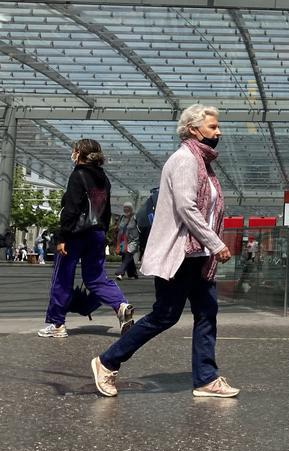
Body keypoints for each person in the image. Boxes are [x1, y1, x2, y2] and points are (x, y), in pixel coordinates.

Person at [91, 104, 237, 399]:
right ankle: (107, 362)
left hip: (199, 257)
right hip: (181, 254)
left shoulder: (204, 164)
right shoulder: (184, 160)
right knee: (164, 316)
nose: (218, 131)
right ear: (194, 129)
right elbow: (186, 207)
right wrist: (216, 242)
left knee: (207, 312)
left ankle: (206, 379)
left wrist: (209, 245)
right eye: (213, 127)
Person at [37, 139, 133, 339]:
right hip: (96, 234)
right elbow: (105, 211)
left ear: (79, 153)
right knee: (96, 278)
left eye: (73, 150)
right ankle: (120, 305)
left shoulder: (78, 175)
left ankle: (57, 324)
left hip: (74, 234)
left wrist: (62, 236)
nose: (72, 153)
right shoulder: (103, 179)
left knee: (62, 278)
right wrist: (103, 231)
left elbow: (71, 208)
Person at [114, 203, 140, 280]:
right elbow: (119, 228)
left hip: (134, 241)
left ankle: (120, 272)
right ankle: (133, 274)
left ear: (131, 209)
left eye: (128, 207)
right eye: (125, 207)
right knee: (127, 257)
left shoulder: (136, 217)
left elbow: (140, 227)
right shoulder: (122, 217)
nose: (126, 209)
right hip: (123, 241)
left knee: (128, 255)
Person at [136, 186, 159, 259]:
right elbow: (150, 212)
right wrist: (153, 224)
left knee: (145, 243)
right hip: (149, 225)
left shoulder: (150, 198)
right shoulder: (155, 197)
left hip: (142, 224)